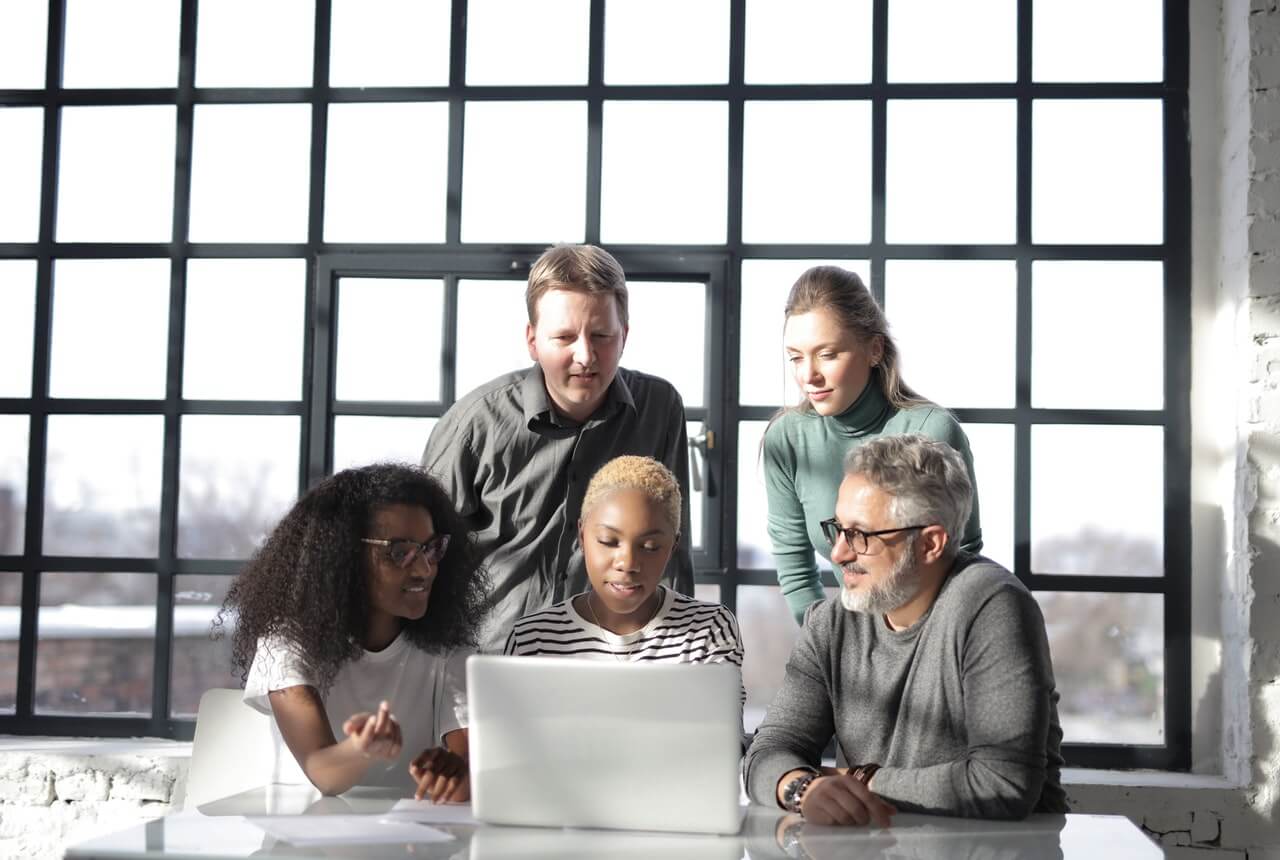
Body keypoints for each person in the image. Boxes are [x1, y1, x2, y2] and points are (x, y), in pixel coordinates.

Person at [743, 434, 1065, 825]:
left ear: (930, 543)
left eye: (860, 535)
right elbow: (769, 750)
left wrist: (859, 780)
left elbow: (1001, 783)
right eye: (838, 529)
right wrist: (801, 788)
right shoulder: (831, 622)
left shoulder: (992, 605)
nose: (838, 553)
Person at [422, 244, 694, 654]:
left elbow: (671, 550)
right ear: (533, 341)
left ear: (625, 337)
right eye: (564, 337)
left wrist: (678, 659)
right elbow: (422, 561)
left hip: (616, 661)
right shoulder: (474, 424)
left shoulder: (660, 409)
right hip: (491, 662)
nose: (585, 356)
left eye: (601, 335)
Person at [219, 463, 489, 799]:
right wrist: (364, 748)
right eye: (400, 553)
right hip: (301, 838)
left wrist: (456, 775)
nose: (425, 569)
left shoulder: (449, 651)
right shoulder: (288, 646)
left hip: (410, 843)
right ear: (343, 557)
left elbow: (470, 768)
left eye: (431, 548)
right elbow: (324, 774)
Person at [764, 265, 983, 624]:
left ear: (875, 349)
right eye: (796, 357)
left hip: (934, 638)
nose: (808, 375)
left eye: (828, 354)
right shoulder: (785, 440)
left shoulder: (933, 430)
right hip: (851, 645)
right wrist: (833, 649)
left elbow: (963, 557)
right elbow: (796, 572)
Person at [504, 455, 742, 673]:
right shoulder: (532, 639)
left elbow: (721, 720)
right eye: (608, 541)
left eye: (649, 547)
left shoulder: (708, 630)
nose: (628, 563)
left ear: (673, 546)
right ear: (582, 536)